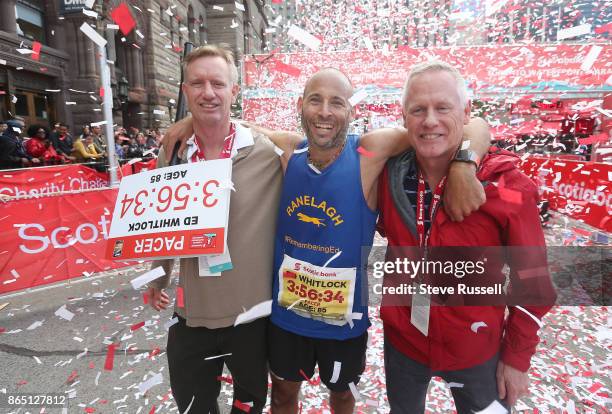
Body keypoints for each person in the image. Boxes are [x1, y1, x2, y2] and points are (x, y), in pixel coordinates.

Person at [162, 67, 491, 413]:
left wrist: (464, 165)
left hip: (344, 322)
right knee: (284, 396)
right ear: (300, 105)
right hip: (288, 319)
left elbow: (470, 125)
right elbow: (238, 127)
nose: (324, 112)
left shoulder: (370, 151)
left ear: (352, 111)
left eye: (337, 102)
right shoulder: (288, 151)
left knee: (342, 397)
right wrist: (193, 123)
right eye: (315, 100)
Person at [377, 61, 556, 413]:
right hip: (405, 341)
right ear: (403, 117)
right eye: (418, 110)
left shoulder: (507, 188)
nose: (430, 120)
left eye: (443, 108)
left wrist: (517, 358)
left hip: (477, 348)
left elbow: (533, 282)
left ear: (466, 112)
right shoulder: (387, 175)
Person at [145, 44, 282, 414]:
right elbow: (162, 226)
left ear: (233, 91)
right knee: (194, 408)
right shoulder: (172, 154)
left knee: (249, 407)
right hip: (192, 317)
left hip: (250, 318)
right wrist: (158, 279)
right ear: (185, 90)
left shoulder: (266, 152)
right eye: (197, 83)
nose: (208, 92)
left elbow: (320, 149)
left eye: (218, 83)